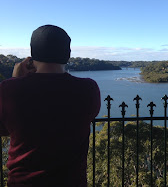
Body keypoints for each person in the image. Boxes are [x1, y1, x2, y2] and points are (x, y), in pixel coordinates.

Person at [0, 25, 101, 186]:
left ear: (32, 56)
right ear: (67, 55)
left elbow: (4, 129)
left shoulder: (8, 90)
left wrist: (14, 80)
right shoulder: (88, 89)